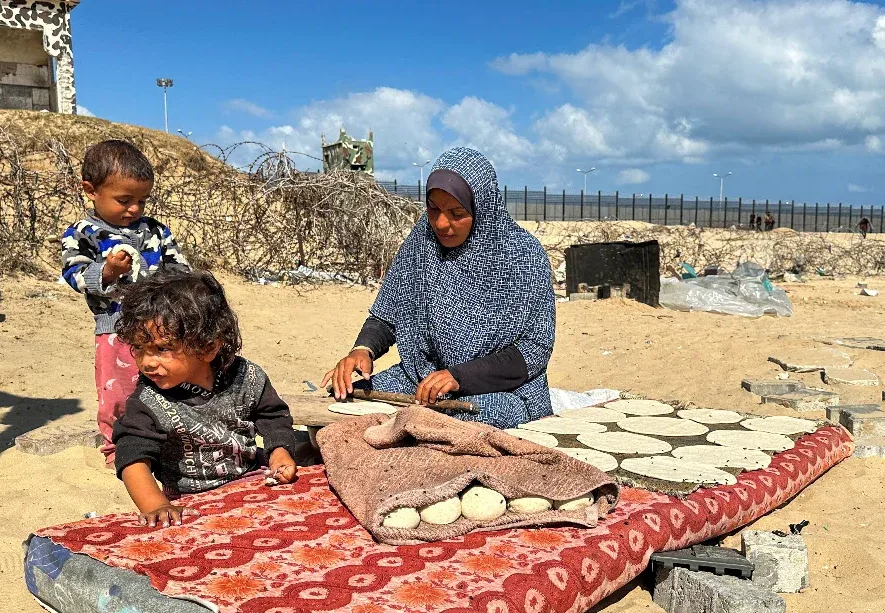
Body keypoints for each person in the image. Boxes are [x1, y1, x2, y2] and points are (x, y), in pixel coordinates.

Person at [322, 147, 555, 429]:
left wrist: (460, 376)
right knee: (346, 401)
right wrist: (363, 349)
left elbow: (534, 349)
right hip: (425, 379)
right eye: (434, 209)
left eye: (457, 213)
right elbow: (388, 313)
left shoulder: (522, 255)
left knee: (472, 421)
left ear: (482, 208)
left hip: (499, 391)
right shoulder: (423, 241)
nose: (442, 224)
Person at [112, 271, 298, 527]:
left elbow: (273, 416)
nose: (146, 362)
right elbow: (132, 455)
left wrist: (279, 452)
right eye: (138, 349)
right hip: (190, 502)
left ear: (209, 346)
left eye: (162, 349)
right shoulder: (148, 399)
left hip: (253, 482)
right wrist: (156, 506)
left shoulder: (247, 378)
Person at [60, 140, 190, 467]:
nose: (134, 209)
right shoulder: (83, 233)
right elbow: (72, 272)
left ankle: (166, 442)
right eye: (124, 200)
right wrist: (106, 271)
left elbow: (178, 268)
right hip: (115, 331)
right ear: (91, 190)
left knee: (165, 385)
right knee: (117, 395)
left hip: (162, 329)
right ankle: (117, 451)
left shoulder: (156, 232)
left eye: (142, 201)